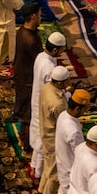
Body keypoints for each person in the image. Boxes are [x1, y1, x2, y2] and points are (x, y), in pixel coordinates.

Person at [30, 31, 68, 180]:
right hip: (44, 104)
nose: (62, 52)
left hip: (37, 100)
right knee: (43, 142)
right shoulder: (48, 68)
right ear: (55, 49)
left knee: (38, 136)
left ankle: (34, 166)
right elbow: (53, 89)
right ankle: (38, 174)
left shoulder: (41, 56)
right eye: (61, 49)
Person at [38, 64, 72, 194]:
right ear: (59, 82)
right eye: (67, 81)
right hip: (54, 137)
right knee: (55, 171)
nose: (69, 83)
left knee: (49, 165)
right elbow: (64, 123)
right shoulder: (57, 104)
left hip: (46, 132)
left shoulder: (47, 87)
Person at [55, 88, 91, 194]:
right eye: (85, 109)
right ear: (77, 109)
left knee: (63, 192)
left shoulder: (63, 115)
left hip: (62, 163)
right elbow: (80, 153)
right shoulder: (73, 131)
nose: (86, 111)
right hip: (70, 169)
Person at [14, 1, 43, 153]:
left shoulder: (21, 31)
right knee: (28, 115)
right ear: (33, 16)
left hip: (21, 76)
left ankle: (22, 138)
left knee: (24, 109)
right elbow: (40, 61)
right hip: (28, 80)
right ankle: (26, 148)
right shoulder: (31, 40)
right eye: (39, 15)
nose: (40, 18)